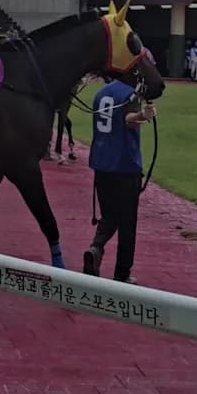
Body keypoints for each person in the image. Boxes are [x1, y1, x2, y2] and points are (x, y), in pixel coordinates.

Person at [82, 76, 157, 284]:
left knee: (110, 215)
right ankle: (122, 273)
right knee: (127, 222)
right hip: (124, 164)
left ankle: (96, 247)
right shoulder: (130, 94)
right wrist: (144, 114)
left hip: (101, 162)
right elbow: (128, 120)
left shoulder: (101, 93)